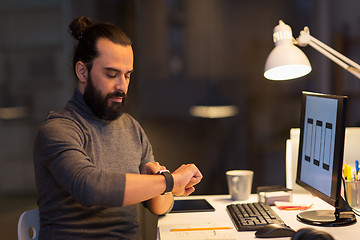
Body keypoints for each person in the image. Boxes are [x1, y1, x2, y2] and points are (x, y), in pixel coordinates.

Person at [33, 16, 203, 240]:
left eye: (127, 75)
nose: (122, 86)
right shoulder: (57, 130)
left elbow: (158, 206)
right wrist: (170, 181)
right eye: (111, 75)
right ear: (82, 72)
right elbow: (90, 187)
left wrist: (165, 186)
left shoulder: (131, 127)